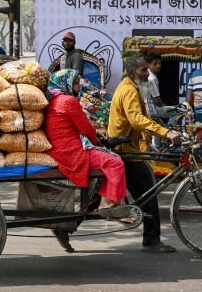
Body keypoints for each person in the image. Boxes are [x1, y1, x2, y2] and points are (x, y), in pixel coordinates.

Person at [44, 69, 128, 251]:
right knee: (115, 161)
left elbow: (81, 127)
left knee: (105, 162)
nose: (78, 87)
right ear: (65, 84)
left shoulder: (55, 101)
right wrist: (97, 140)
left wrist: (94, 136)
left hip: (61, 150)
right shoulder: (68, 101)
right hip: (71, 152)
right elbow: (86, 130)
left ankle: (91, 210)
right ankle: (108, 204)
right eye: (75, 84)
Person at [108, 55, 181, 254]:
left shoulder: (130, 87)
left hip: (129, 148)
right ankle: (151, 241)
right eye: (142, 70)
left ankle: (69, 226)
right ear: (132, 72)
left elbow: (141, 120)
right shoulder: (129, 90)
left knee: (143, 193)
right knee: (149, 194)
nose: (146, 73)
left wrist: (147, 142)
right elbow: (137, 120)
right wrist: (166, 132)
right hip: (126, 151)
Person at [142, 52, 177, 122]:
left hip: (144, 109)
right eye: (155, 64)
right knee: (176, 111)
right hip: (152, 111)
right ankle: (169, 130)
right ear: (148, 65)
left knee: (160, 121)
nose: (159, 66)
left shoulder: (143, 75)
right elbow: (157, 101)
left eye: (159, 63)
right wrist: (164, 106)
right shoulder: (152, 78)